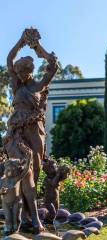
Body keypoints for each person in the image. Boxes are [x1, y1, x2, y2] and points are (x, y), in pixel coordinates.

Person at [3, 29, 58, 233]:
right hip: (16, 133)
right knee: (22, 171)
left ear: (29, 72)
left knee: (34, 172)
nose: (17, 75)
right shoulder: (17, 85)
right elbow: (9, 59)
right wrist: (22, 40)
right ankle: (33, 220)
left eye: (21, 72)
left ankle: (25, 217)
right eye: (16, 73)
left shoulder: (39, 85)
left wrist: (36, 46)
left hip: (35, 132)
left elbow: (53, 66)